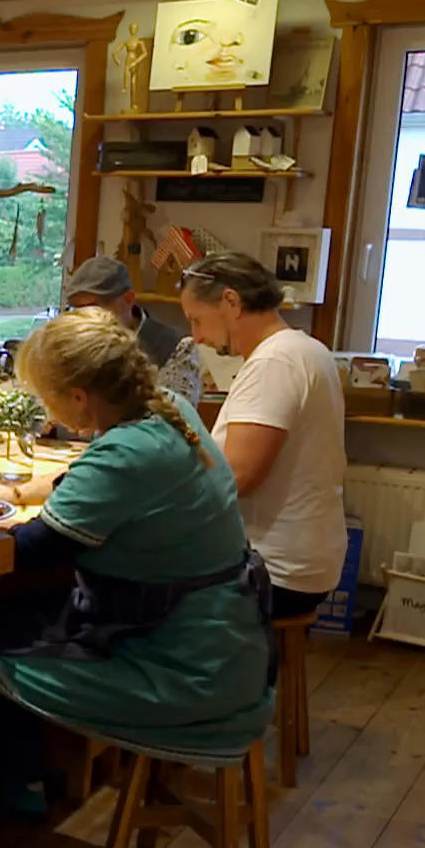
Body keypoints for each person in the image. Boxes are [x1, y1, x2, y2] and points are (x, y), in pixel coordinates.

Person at [0, 308, 272, 841]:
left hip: (184, 670)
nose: (46, 407)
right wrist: (16, 494)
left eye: (48, 396)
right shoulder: (167, 409)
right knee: (11, 616)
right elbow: (85, 478)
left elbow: (34, 550)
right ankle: (22, 786)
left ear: (79, 398)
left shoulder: (128, 452)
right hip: (227, 640)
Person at [179, 252, 346, 620]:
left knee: (123, 584)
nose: (197, 337)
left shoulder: (274, 362)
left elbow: (240, 477)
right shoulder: (307, 349)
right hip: (305, 561)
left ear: (231, 301)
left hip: (273, 571)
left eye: (197, 320)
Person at [63, 255, 188, 368]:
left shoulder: (176, 347)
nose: (85, 318)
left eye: (95, 308)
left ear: (128, 299)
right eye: (77, 309)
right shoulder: (70, 345)